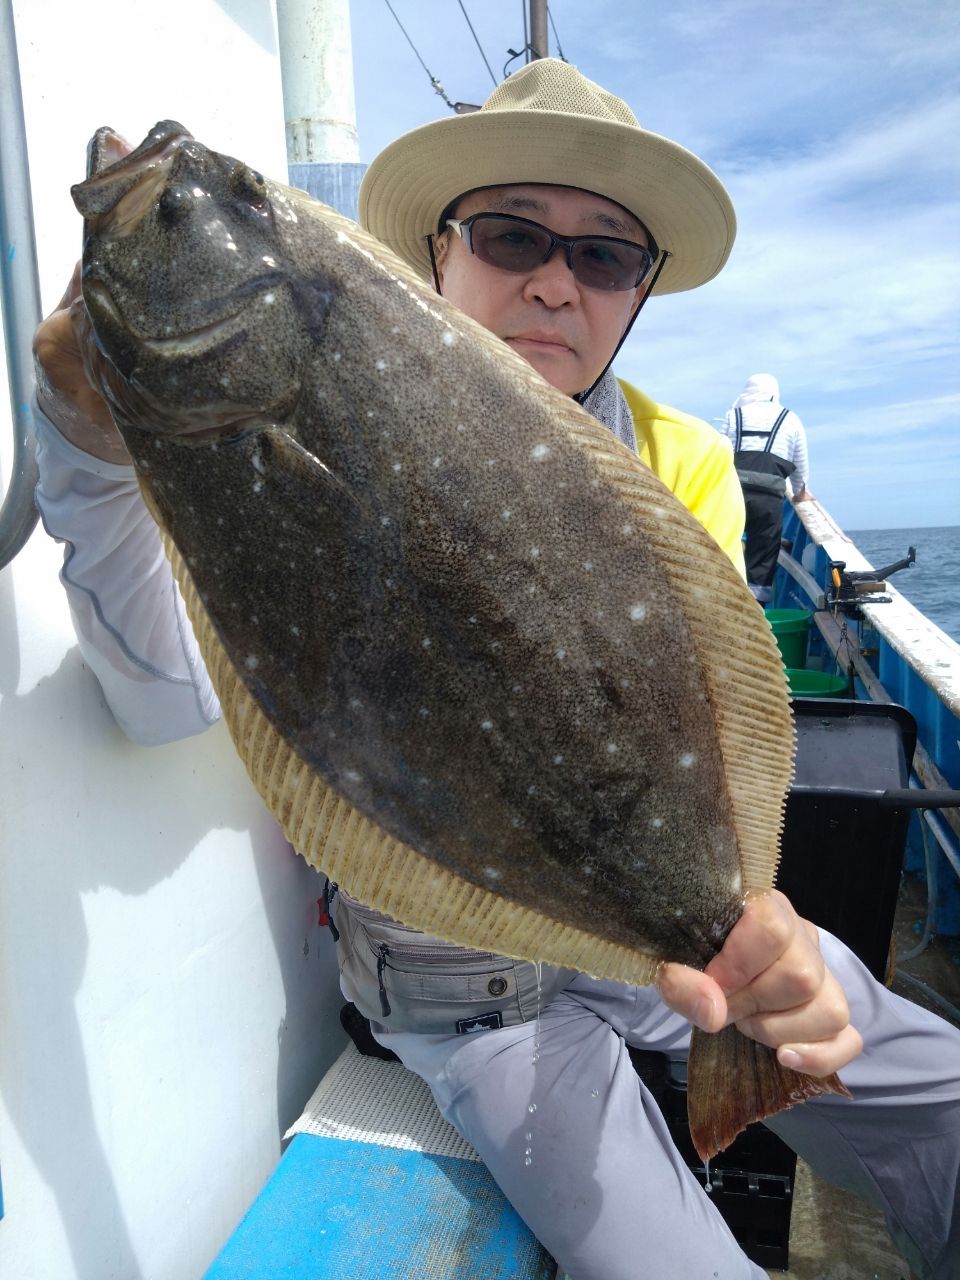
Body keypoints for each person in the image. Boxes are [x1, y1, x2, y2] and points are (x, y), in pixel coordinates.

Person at [32, 58, 958, 1280]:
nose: (554, 281)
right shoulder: (272, 419)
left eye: (604, 257)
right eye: (513, 235)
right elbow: (164, 700)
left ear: (638, 292)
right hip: (464, 992)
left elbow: (702, 739)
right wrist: (92, 452)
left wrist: (756, 927)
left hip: (664, 938)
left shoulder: (679, 461)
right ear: (441, 250)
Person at [719, 373, 813, 603]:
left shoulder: (734, 415)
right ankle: (755, 608)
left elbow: (720, 452)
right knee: (763, 554)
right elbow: (800, 462)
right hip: (768, 498)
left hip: (733, 494)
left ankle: (723, 596)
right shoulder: (790, 418)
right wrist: (800, 492)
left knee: (725, 545)